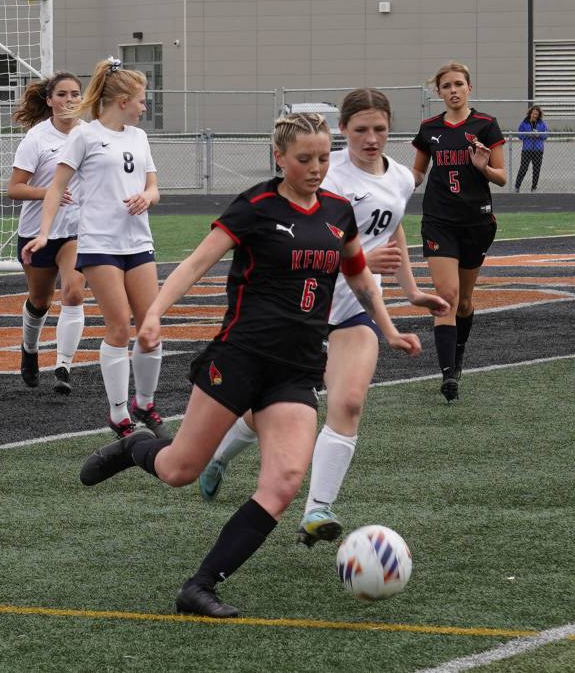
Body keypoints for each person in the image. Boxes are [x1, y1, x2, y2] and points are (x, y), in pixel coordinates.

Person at [75, 112, 422, 618]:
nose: (316, 168)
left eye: (324, 158)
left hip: (297, 369)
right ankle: (136, 448)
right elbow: (196, 263)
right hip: (240, 358)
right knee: (179, 470)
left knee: (283, 482)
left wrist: (388, 328)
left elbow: (360, 276)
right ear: (278, 158)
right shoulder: (256, 205)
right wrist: (152, 314)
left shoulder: (338, 211)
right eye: (304, 159)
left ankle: (200, 585)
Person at [196, 89, 450, 548]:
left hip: (353, 310)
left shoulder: (400, 178)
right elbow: (319, 245)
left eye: (380, 130)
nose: (371, 139)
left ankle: (317, 510)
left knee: (348, 402)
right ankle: (221, 455)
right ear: (343, 132)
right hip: (300, 312)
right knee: (268, 413)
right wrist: (367, 262)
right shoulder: (323, 172)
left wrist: (410, 291)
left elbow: (391, 227)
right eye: (360, 131)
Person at [22, 57, 167, 437]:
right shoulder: (85, 136)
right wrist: (43, 232)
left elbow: (153, 186)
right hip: (100, 244)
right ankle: (119, 415)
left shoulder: (139, 137)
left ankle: (145, 403)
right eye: (141, 99)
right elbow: (56, 188)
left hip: (138, 242)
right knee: (119, 328)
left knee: (150, 329)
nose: (144, 106)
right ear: (122, 101)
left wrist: (148, 197)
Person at [411, 61, 506, 402]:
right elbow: (417, 173)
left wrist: (484, 168)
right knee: (446, 296)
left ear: (469, 88)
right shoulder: (429, 129)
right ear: (438, 92)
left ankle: (459, 351)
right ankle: (448, 375)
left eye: (458, 84)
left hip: (477, 223)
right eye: (446, 86)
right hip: (438, 220)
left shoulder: (486, 125)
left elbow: (502, 176)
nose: (452, 90)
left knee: (464, 301)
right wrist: (388, 183)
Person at [8, 72, 86, 394]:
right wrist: (48, 192)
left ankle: (64, 366)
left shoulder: (91, 135)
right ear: (49, 101)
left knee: (74, 292)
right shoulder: (36, 139)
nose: (69, 100)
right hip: (37, 232)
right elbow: (14, 189)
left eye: (75, 94)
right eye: (63, 95)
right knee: (40, 300)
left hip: (76, 232)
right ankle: (29, 349)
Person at [514, 105, 548, 192]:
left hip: (538, 150)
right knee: (523, 169)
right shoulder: (524, 123)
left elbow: (545, 136)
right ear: (530, 113)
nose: (535, 116)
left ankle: (534, 187)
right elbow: (519, 135)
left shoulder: (542, 123)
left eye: (537, 114)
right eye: (533, 113)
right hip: (527, 150)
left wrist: (538, 135)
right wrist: (527, 134)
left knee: (536, 169)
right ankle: (517, 187)